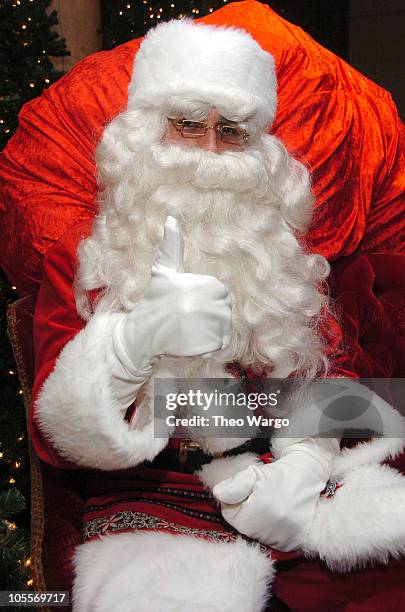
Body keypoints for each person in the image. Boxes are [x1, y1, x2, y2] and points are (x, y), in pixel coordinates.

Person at [30, 19, 405, 611]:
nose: (210, 152)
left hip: (292, 493)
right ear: (144, 134)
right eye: (187, 125)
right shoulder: (86, 260)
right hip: (157, 505)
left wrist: (307, 461)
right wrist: (133, 341)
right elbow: (59, 441)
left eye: (230, 131)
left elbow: (335, 382)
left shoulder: (281, 253)